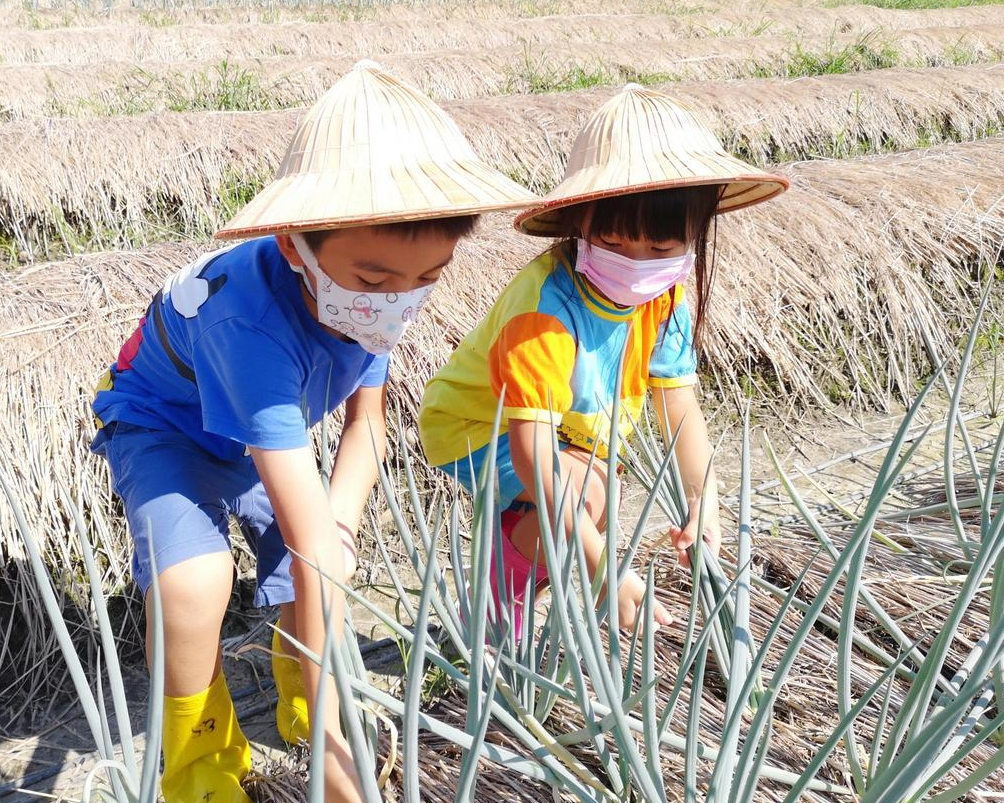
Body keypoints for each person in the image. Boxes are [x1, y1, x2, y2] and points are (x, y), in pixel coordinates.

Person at [90, 61, 536, 803]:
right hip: (163, 425)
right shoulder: (251, 324)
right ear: (298, 245)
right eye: (373, 281)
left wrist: (343, 525)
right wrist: (340, 752)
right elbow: (309, 542)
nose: (399, 302)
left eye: (430, 275)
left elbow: (368, 424)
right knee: (195, 582)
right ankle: (200, 762)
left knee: (324, 553)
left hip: (260, 434)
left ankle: (300, 687)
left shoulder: (378, 292)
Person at [418, 83, 788, 642]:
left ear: (695, 234)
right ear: (580, 224)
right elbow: (533, 455)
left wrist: (702, 501)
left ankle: (520, 563)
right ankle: (497, 606)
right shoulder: (546, 310)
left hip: (567, 433)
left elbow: (678, 403)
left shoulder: (664, 299)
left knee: (590, 495)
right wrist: (606, 574)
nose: (636, 264)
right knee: (583, 496)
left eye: (661, 249)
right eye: (615, 242)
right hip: (473, 425)